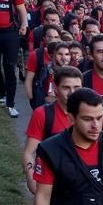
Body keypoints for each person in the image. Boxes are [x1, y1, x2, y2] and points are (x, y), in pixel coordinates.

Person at [22, 66, 83, 195]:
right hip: (52, 185)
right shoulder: (43, 114)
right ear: (56, 89)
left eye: (77, 88)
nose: (72, 92)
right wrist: (31, 177)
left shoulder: (90, 115)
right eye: (66, 88)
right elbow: (29, 152)